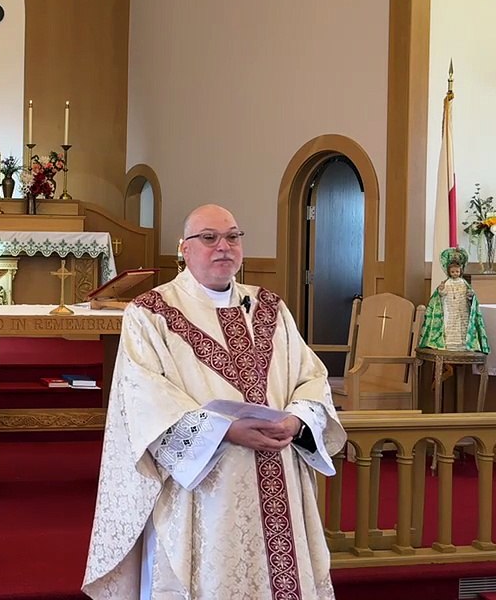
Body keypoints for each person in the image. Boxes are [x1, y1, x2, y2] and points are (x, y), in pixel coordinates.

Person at [83, 204, 346, 600]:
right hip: (206, 488)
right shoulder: (151, 314)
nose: (223, 247)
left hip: (280, 474)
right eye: (209, 238)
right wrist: (227, 429)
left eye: (233, 237)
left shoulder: (271, 308)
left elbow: (311, 378)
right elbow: (143, 400)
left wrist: (296, 420)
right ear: (184, 249)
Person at [419, 247, 489, 353]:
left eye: (457, 271)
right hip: (450, 308)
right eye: (452, 272)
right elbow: (441, 296)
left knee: (462, 325)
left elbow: (470, 295)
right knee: (450, 325)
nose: (455, 273)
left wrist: (470, 295)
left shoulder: (463, 283)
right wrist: (441, 290)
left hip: (462, 308)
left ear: (460, 271)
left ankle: (463, 344)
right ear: (449, 272)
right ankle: (449, 343)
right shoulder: (447, 283)